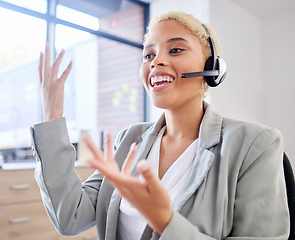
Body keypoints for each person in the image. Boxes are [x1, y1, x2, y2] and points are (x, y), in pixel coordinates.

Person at [30, 11, 290, 240]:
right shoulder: (129, 139)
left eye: (175, 50)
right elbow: (70, 216)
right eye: (149, 54)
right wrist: (52, 115)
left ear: (211, 67)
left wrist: (165, 221)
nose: (155, 62)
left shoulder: (255, 144)